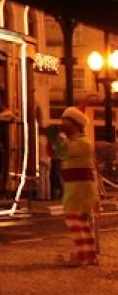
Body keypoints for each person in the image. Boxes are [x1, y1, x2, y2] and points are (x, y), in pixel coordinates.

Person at [45, 107, 101, 267]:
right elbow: (54, 152)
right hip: (76, 187)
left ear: (76, 125)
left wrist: (53, 137)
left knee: (74, 221)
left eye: (66, 122)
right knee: (82, 223)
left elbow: (62, 152)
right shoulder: (77, 141)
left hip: (79, 189)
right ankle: (88, 255)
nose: (63, 125)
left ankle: (83, 256)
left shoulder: (83, 143)